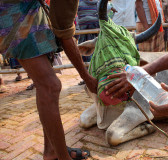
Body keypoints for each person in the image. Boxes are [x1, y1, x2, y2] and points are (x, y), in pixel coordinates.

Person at [0, 0, 98, 159]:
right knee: (50, 85)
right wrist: (87, 78)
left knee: (46, 84)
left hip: (30, 11)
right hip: (12, 14)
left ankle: (52, 150)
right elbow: (65, 32)